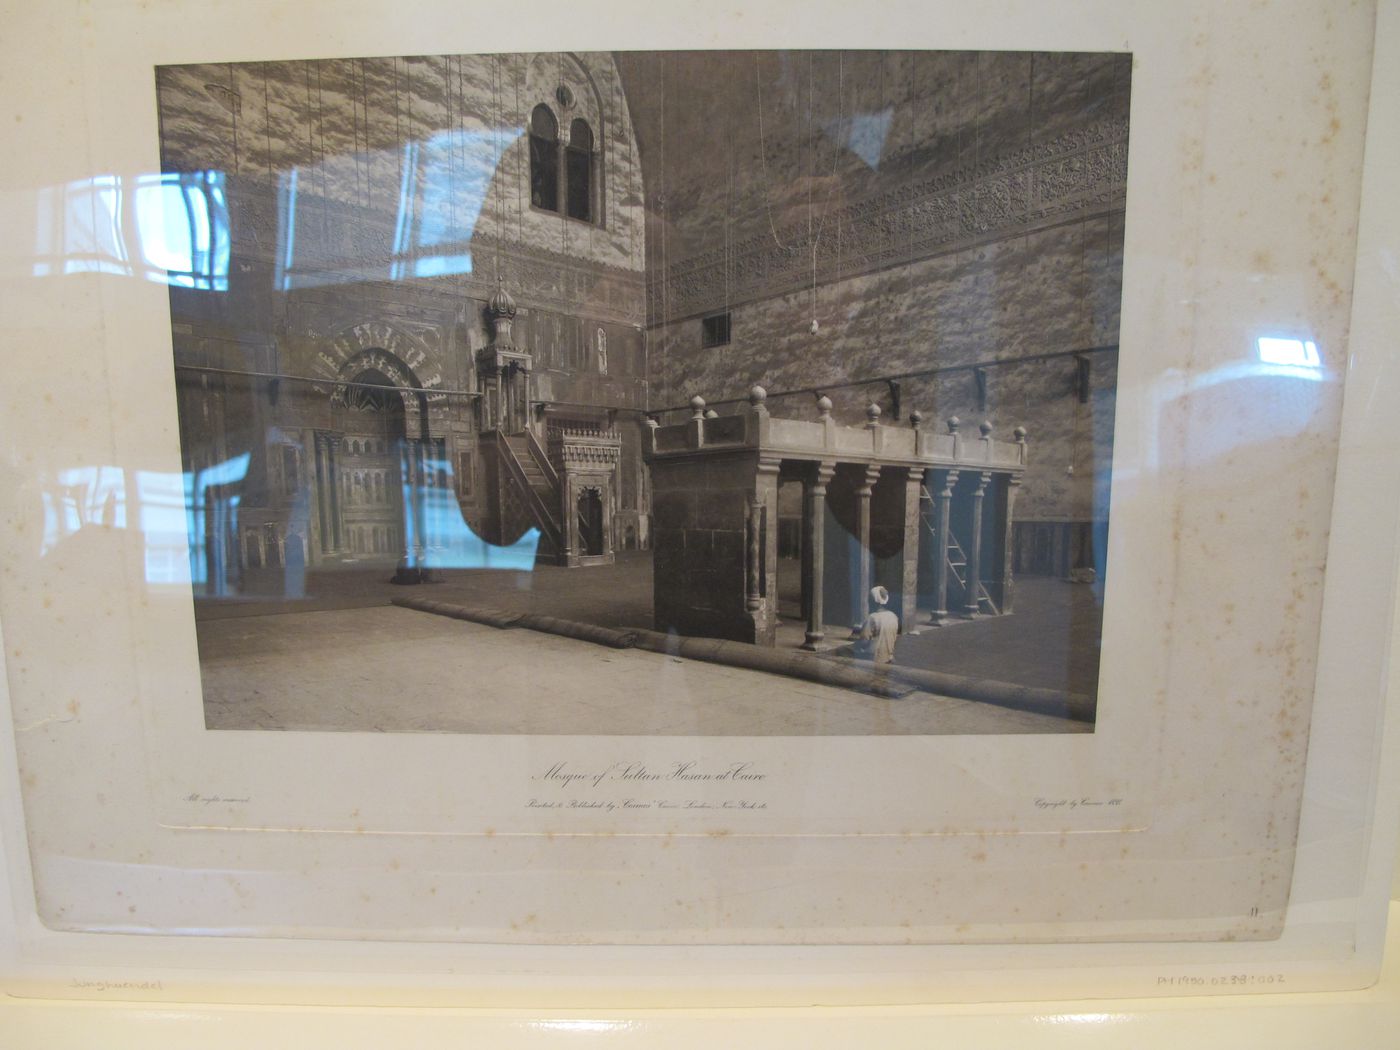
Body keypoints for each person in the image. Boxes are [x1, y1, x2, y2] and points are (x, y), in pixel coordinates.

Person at [855, 585, 900, 664]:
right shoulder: (893, 616)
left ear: (873, 601)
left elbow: (864, 642)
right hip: (889, 656)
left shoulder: (872, 618)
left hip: (874, 658)